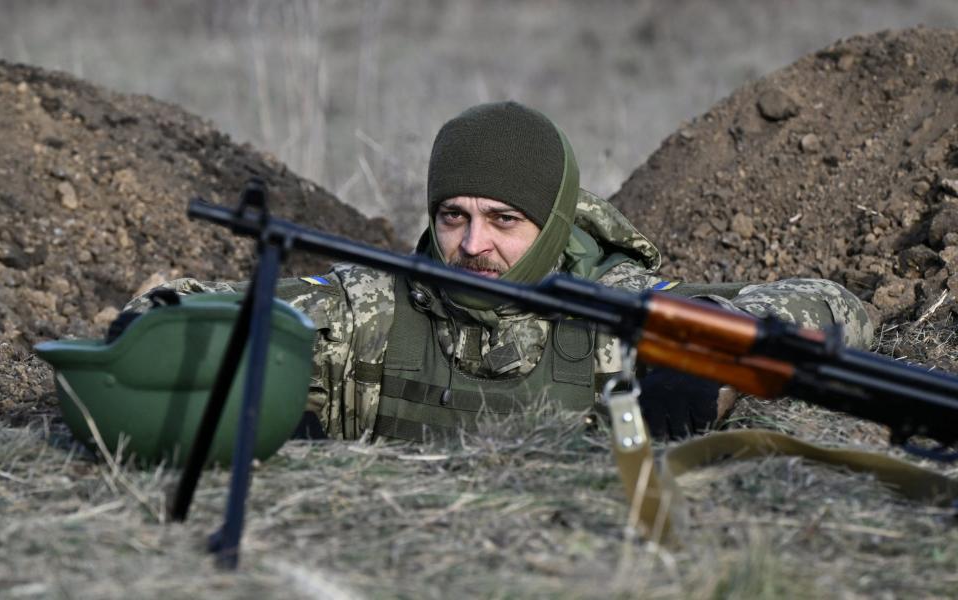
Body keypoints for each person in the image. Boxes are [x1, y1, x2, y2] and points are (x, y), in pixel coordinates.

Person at [128, 102, 873, 441]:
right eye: (453, 216)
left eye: (504, 221)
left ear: (551, 224)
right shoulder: (373, 306)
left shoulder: (621, 313)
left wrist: (721, 365)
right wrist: (156, 322)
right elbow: (216, 310)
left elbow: (836, 304)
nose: (472, 245)